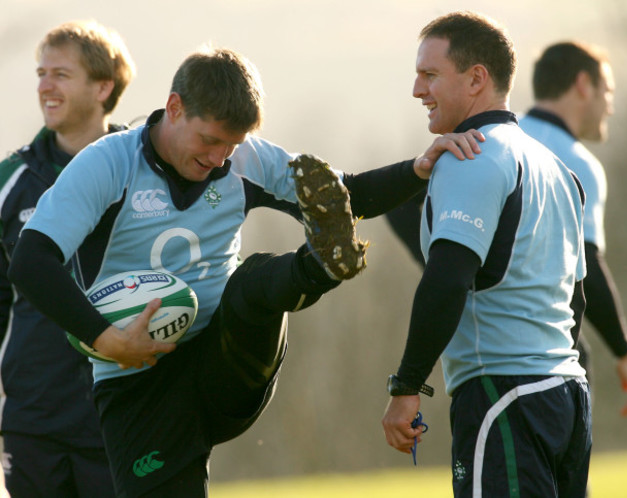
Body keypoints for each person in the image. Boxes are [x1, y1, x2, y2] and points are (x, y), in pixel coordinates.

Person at [6, 44, 480, 497]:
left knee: (253, 280)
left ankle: (319, 266)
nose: (219, 159)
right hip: (137, 381)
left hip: (226, 359)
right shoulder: (107, 164)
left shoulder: (246, 159)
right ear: (173, 108)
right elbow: (31, 261)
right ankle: (315, 265)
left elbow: (342, 197)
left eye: (230, 146)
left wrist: (419, 169)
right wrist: (104, 338)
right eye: (209, 140)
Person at [381, 11, 591, 497]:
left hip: (504, 397)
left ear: (477, 78)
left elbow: (446, 281)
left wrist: (406, 386)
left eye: (430, 75)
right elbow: (574, 302)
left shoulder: (469, 156)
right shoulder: (559, 170)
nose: (418, 90)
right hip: (567, 397)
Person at [0, 20, 135, 497]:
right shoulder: (10, 179)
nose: (44, 86)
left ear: (103, 86)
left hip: (120, 417)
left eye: (60, 73)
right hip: (33, 419)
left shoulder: (142, 171)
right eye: (40, 73)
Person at [519, 41, 627, 416]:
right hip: (550, 361)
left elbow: (408, 205)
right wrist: (625, 352)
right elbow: (586, 266)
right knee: (566, 475)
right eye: (607, 90)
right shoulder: (578, 164)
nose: (610, 104)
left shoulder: (489, 142)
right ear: (582, 85)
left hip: (481, 358)